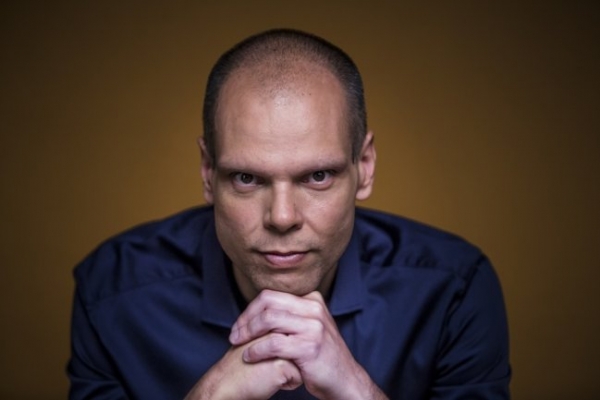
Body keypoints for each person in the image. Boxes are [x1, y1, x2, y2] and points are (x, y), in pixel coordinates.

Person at [67, 29, 511, 399]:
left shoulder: (453, 289)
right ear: (208, 172)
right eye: (246, 178)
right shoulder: (112, 294)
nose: (282, 218)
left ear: (365, 166)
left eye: (317, 176)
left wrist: (356, 391)